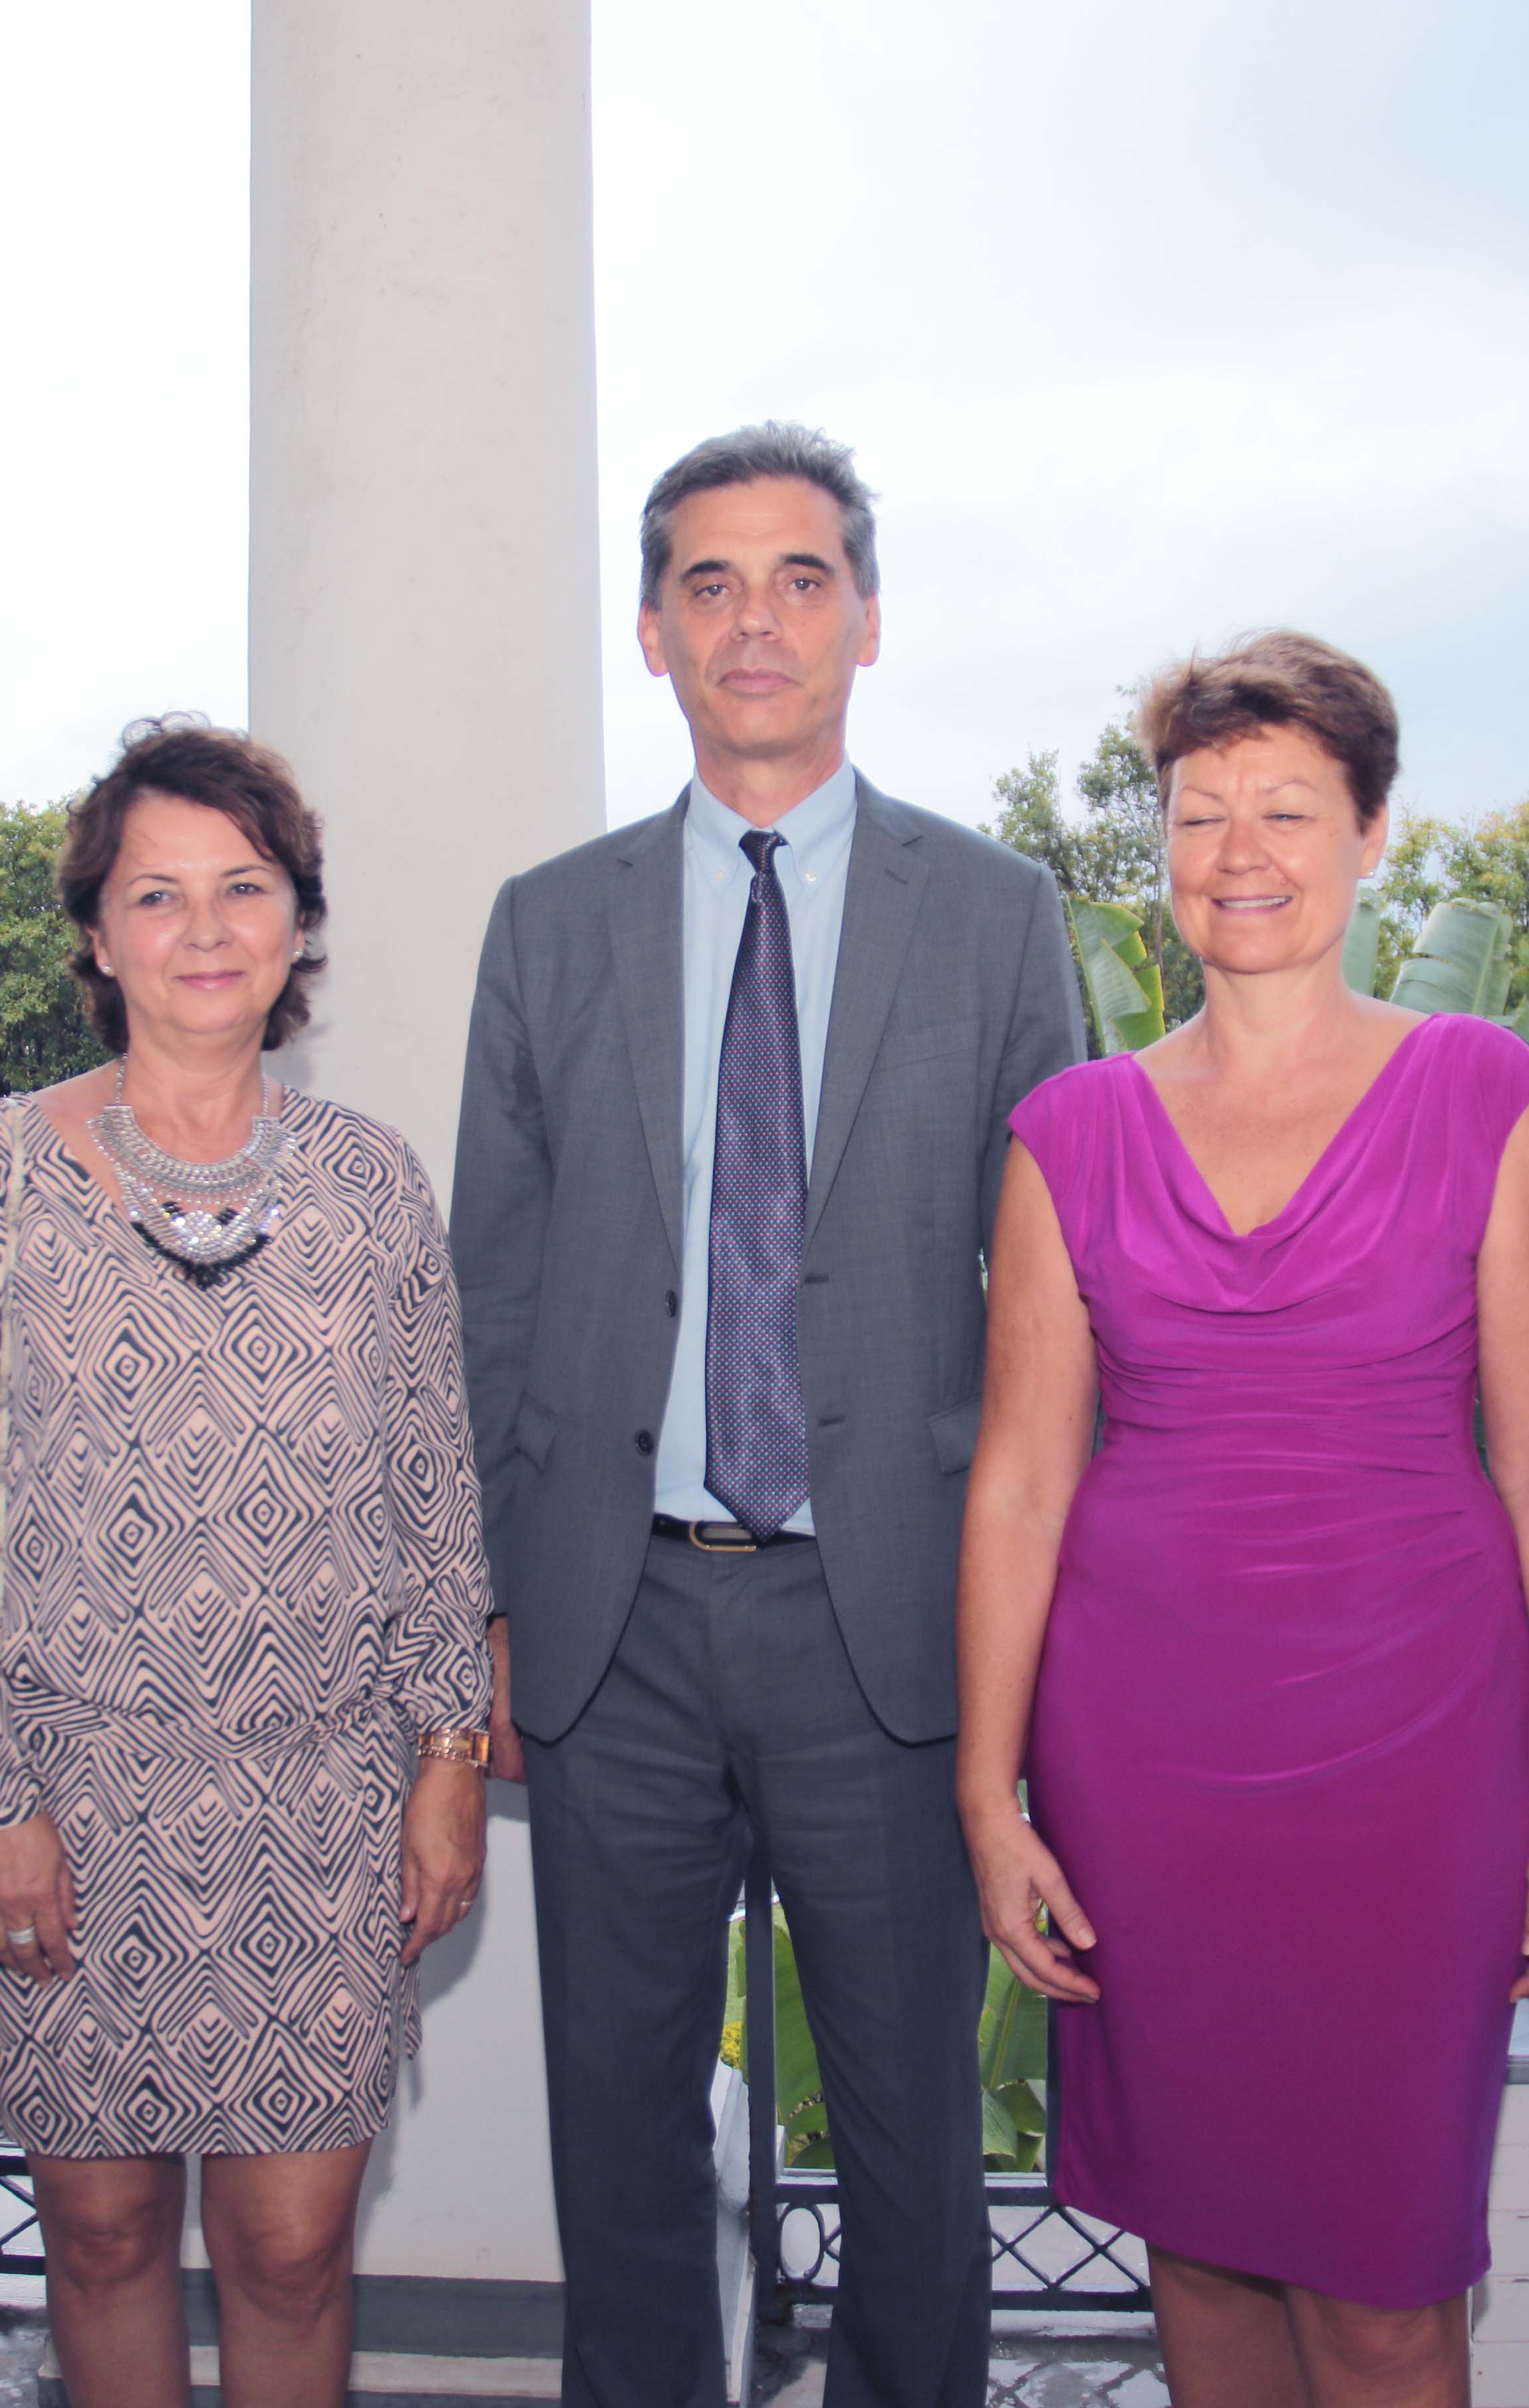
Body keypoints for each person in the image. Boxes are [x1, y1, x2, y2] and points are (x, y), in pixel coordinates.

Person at [452, 423, 1083, 2408]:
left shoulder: (994, 914)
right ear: (651, 631)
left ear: (867, 620)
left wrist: (1033, 1635)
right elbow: (491, 1288)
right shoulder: (550, 923)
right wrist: (484, 1605)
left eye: (801, 577)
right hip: (611, 1621)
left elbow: (1054, 1306)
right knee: (620, 2137)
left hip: (882, 1621)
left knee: (908, 2139)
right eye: (709, 583)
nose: (756, 621)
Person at [955, 633, 1529, 2407]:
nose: (1239, 853)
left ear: (1373, 834)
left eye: (1288, 811)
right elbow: (1020, 1484)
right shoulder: (1068, 1131)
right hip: (1145, 1761)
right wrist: (986, 1793)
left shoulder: (1486, 1095)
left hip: (1423, 1760)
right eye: (1202, 814)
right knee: (1197, 2244)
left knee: (1388, 2280)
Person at [0, 716, 494, 2408]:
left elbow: (436, 1499)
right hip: (61, 1810)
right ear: (96, 934)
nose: (205, 929)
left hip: (322, 1807)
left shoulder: (373, 1185)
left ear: (298, 922)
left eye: (245, 887)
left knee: (292, 2249)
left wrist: (449, 1762)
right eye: (158, 894)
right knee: (102, 2237)